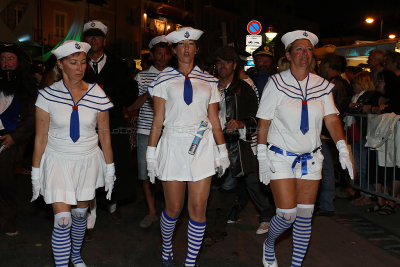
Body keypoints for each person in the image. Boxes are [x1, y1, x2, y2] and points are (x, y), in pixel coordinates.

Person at [256, 30, 353, 267]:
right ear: (288, 55)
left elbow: (331, 119)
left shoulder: (322, 85)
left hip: (311, 159)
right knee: (287, 215)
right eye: (298, 49)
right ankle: (269, 244)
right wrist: (261, 157)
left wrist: (343, 148)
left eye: (308, 49)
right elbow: (264, 123)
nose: (304, 54)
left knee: (304, 216)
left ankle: (296, 264)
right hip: (280, 157)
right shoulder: (276, 83)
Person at [146, 27, 230, 267]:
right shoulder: (163, 79)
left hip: (201, 145)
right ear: (174, 50)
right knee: (173, 208)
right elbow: (158, 119)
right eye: (181, 45)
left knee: (197, 209)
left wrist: (222, 151)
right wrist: (151, 155)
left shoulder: (209, 81)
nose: (186, 49)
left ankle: (190, 262)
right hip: (172, 144)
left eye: (191, 44)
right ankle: (166, 249)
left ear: (196, 49)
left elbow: (214, 119)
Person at [31, 40, 115, 267]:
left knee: (79, 216)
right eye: (73, 62)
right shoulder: (46, 95)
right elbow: (40, 138)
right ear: (60, 64)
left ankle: (76, 254)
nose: (80, 67)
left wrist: (110, 169)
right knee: (63, 220)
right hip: (57, 159)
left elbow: (105, 135)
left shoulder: (97, 93)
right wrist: (35, 173)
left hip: (87, 160)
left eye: (83, 62)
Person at [82, 20, 138, 236]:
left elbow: (130, 93)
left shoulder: (117, 64)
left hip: (112, 123)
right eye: (89, 36)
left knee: (113, 163)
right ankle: (89, 208)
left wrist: (112, 100)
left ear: (104, 40)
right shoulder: (77, 62)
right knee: (86, 167)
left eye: (97, 36)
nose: (93, 40)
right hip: (85, 124)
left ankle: (112, 203)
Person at [212, 46, 271, 235]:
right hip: (214, 144)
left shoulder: (245, 88)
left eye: (226, 62)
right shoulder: (210, 87)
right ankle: (223, 218)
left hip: (241, 144)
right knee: (225, 184)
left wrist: (239, 124)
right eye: (218, 62)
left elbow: (257, 120)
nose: (221, 66)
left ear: (234, 65)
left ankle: (266, 216)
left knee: (251, 183)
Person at [127, 35, 172, 228]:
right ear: (152, 56)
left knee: (169, 173)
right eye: (158, 54)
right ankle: (152, 212)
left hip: (170, 132)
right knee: (146, 174)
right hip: (146, 131)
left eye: (165, 54)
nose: (162, 58)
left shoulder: (176, 75)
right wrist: (147, 94)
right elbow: (130, 106)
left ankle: (171, 210)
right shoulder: (141, 76)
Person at [0, 43, 37, 236]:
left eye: (10, 59)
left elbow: (32, 120)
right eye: (3, 59)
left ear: (18, 62)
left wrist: (15, 137)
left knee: (5, 184)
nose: (6, 63)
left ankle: (8, 220)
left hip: (8, 141)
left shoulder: (28, 88)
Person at [317, 53, 352, 215]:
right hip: (331, 131)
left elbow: (332, 112)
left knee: (327, 169)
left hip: (329, 132)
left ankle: (327, 204)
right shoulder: (341, 83)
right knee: (328, 168)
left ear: (327, 65)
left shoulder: (334, 85)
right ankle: (326, 202)